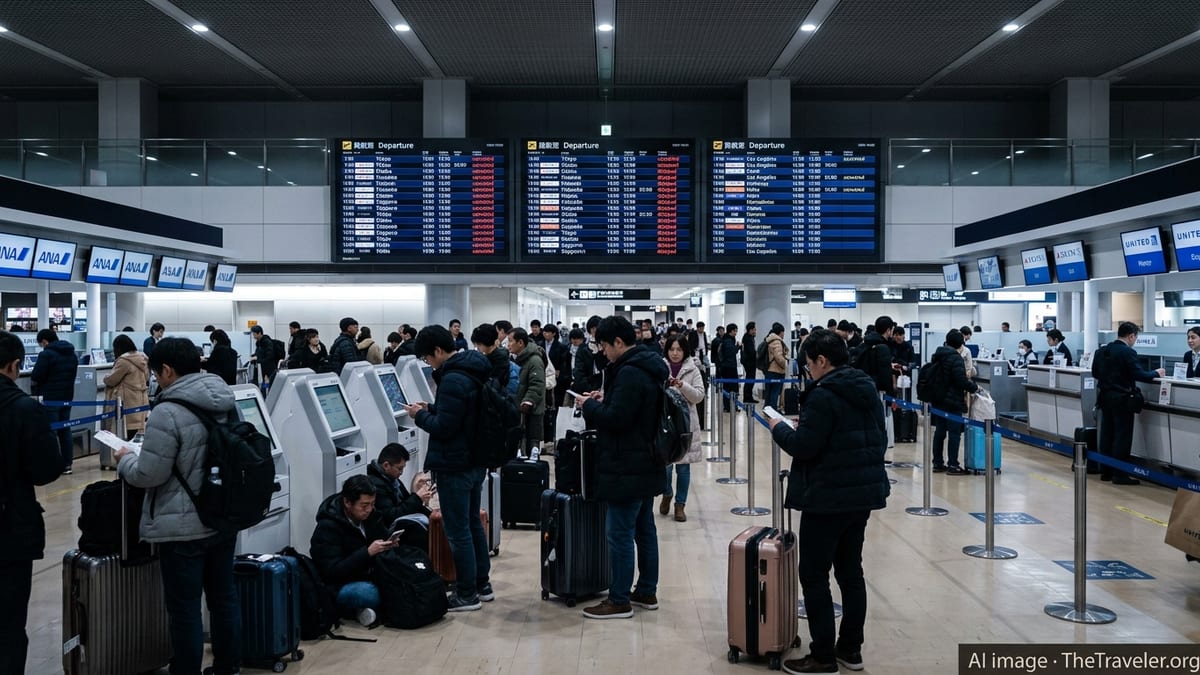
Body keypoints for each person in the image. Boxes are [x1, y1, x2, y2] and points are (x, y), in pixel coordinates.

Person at [112, 337, 241, 675]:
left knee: (184, 609)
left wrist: (125, 460)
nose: (156, 380)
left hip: (181, 527)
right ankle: (228, 667)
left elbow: (149, 474)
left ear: (167, 370)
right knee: (223, 599)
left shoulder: (167, 411)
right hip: (222, 515)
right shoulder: (226, 400)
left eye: (156, 374)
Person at [767, 329, 889, 674]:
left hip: (827, 497)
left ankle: (822, 655)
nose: (808, 371)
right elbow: (876, 441)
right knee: (851, 572)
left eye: (808, 365)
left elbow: (805, 447)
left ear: (822, 361)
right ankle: (851, 648)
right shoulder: (865, 390)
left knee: (814, 574)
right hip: (861, 495)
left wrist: (778, 427)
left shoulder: (823, 396)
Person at [576, 316, 665, 619]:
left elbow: (618, 420)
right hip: (647, 460)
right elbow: (631, 410)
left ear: (617, 342)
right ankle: (646, 589)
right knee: (644, 529)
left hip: (627, 464)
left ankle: (619, 599)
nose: (602, 352)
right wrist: (606, 399)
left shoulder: (628, 372)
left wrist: (589, 406)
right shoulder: (647, 366)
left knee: (620, 533)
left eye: (604, 346)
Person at [401, 326, 493, 611]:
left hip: (455, 464)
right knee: (472, 523)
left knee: (458, 530)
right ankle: (482, 583)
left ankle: (466, 594)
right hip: (476, 460)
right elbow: (461, 415)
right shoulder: (474, 368)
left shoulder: (453, 378)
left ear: (439, 351)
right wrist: (431, 406)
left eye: (429, 358)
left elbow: (445, 427)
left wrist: (420, 416)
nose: (430, 364)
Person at [0, 331, 62, 675]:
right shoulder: (24, 410)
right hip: (10, 530)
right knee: (8, 624)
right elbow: (45, 471)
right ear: (14, 366)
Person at [309, 475, 395, 627]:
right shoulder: (327, 527)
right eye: (364, 505)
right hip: (339, 585)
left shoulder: (370, 516)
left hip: (370, 574)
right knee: (371, 593)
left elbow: (381, 534)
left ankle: (362, 611)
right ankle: (351, 610)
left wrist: (390, 542)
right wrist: (367, 553)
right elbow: (331, 571)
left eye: (372, 504)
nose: (369, 509)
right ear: (347, 503)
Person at [1095, 322, 1166, 485]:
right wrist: (1156, 372)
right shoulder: (1128, 352)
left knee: (1107, 434)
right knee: (1122, 436)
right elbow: (1139, 374)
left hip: (1105, 397)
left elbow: (1095, 372)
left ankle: (1106, 471)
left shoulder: (1101, 351)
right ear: (1131, 336)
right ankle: (1119, 475)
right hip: (1122, 399)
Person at [660, 335, 704, 523]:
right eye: (672, 349)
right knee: (666, 468)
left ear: (685, 351)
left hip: (686, 424)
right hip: (665, 424)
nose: (675, 353)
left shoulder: (693, 369)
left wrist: (681, 385)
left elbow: (698, 396)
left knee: (684, 469)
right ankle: (667, 493)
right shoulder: (660, 367)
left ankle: (680, 505)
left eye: (679, 349)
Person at [928, 329, 978, 475]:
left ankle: (937, 463)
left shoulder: (937, 355)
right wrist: (974, 388)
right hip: (952, 400)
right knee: (954, 433)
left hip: (939, 399)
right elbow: (960, 380)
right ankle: (953, 465)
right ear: (960, 344)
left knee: (940, 432)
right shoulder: (956, 358)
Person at [31, 328, 79, 474]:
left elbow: (37, 375)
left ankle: (51, 465)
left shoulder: (46, 354)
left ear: (45, 341)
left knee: (50, 432)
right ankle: (67, 465)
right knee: (65, 430)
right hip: (67, 397)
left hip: (50, 398)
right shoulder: (72, 353)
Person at [366, 443, 432, 523]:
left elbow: (406, 503)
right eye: (400, 469)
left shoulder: (392, 478)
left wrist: (416, 493)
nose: (401, 472)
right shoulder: (376, 485)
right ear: (386, 465)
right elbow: (391, 515)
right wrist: (417, 497)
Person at [103, 334, 149, 440]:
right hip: (139, 400)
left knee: (123, 435)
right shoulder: (142, 359)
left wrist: (105, 378)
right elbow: (146, 378)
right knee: (135, 434)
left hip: (127, 401)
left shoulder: (124, 361)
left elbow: (112, 380)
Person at [509, 328, 546, 452]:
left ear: (520, 343)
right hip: (518, 409)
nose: (508, 345)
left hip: (532, 411)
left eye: (510, 341)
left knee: (532, 445)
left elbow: (537, 385)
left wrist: (528, 401)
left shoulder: (534, 360)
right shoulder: (514, 359)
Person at [471, 323, 511, 391]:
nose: (477, 347)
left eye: (479, 344)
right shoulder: (487, 355)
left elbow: (495, 383)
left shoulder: (500, 358)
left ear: (487, 342)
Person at [763, 322, 789, 409]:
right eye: (783, 332)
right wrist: (785, 363)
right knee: (775, 392)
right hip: (776, 371)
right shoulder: (777, 342)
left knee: (769, 392)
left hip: (769, 370)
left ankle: (767, 410)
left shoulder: (769, 340)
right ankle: (773, 411)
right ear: (781, 332)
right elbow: (778, 357)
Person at [718, 324, 739, 411]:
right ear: (731, 331)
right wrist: (738, 347)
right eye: (735, 331)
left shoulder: (727, 339)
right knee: (731, 387)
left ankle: (729, 406)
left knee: (728, 387)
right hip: (729, 367)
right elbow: (731, 352)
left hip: (727, 366)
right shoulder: (728, 341)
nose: (736, 333)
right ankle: (730, 406)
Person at [740, 322, 759, 403]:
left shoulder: (749, 337)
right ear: (750, 330)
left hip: (749, 362)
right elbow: (751, 352)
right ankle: (747, 398)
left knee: (750, 379)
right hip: (749, 362)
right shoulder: (748, 338)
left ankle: (749, 397)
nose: (755, 331)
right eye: (754, 329)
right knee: (750, 379)